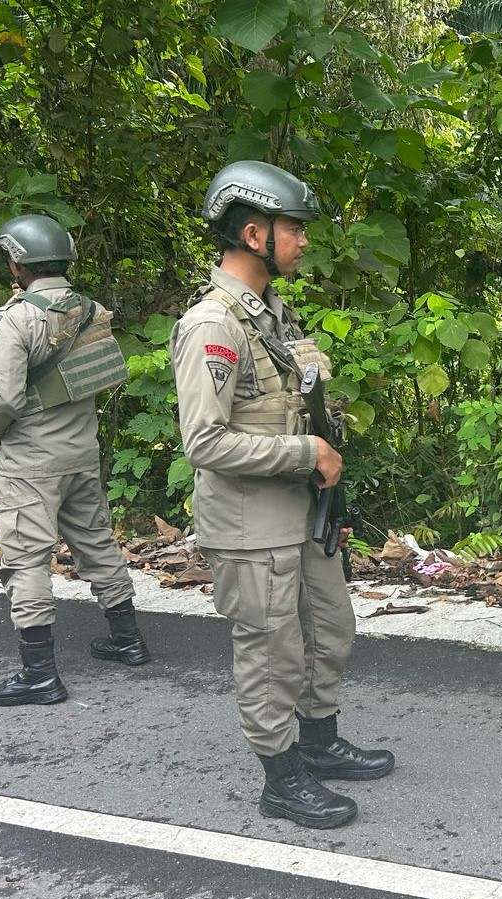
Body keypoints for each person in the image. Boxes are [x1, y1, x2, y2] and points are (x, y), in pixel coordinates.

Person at [170, 160, 393, 830]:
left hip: (303, 511)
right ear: (251, 232)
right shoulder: (214, 327)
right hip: (250, 523)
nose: (303, 241)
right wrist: (305, 452)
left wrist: (324, 431)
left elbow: (305, 394)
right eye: (292, 229)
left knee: (330, 629)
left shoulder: (272, 314)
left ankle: (319, 745)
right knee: (271, 649)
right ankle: (281, 776)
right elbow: (203, 443)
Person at [0, 214, 150, 708]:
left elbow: (4, 399)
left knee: (25, 557)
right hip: (80, 454)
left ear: (16, 261)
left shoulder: (18, 317)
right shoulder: (89, 309)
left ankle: (39, 674)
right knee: (95, 541)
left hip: (31, 462)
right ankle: (128, 639)